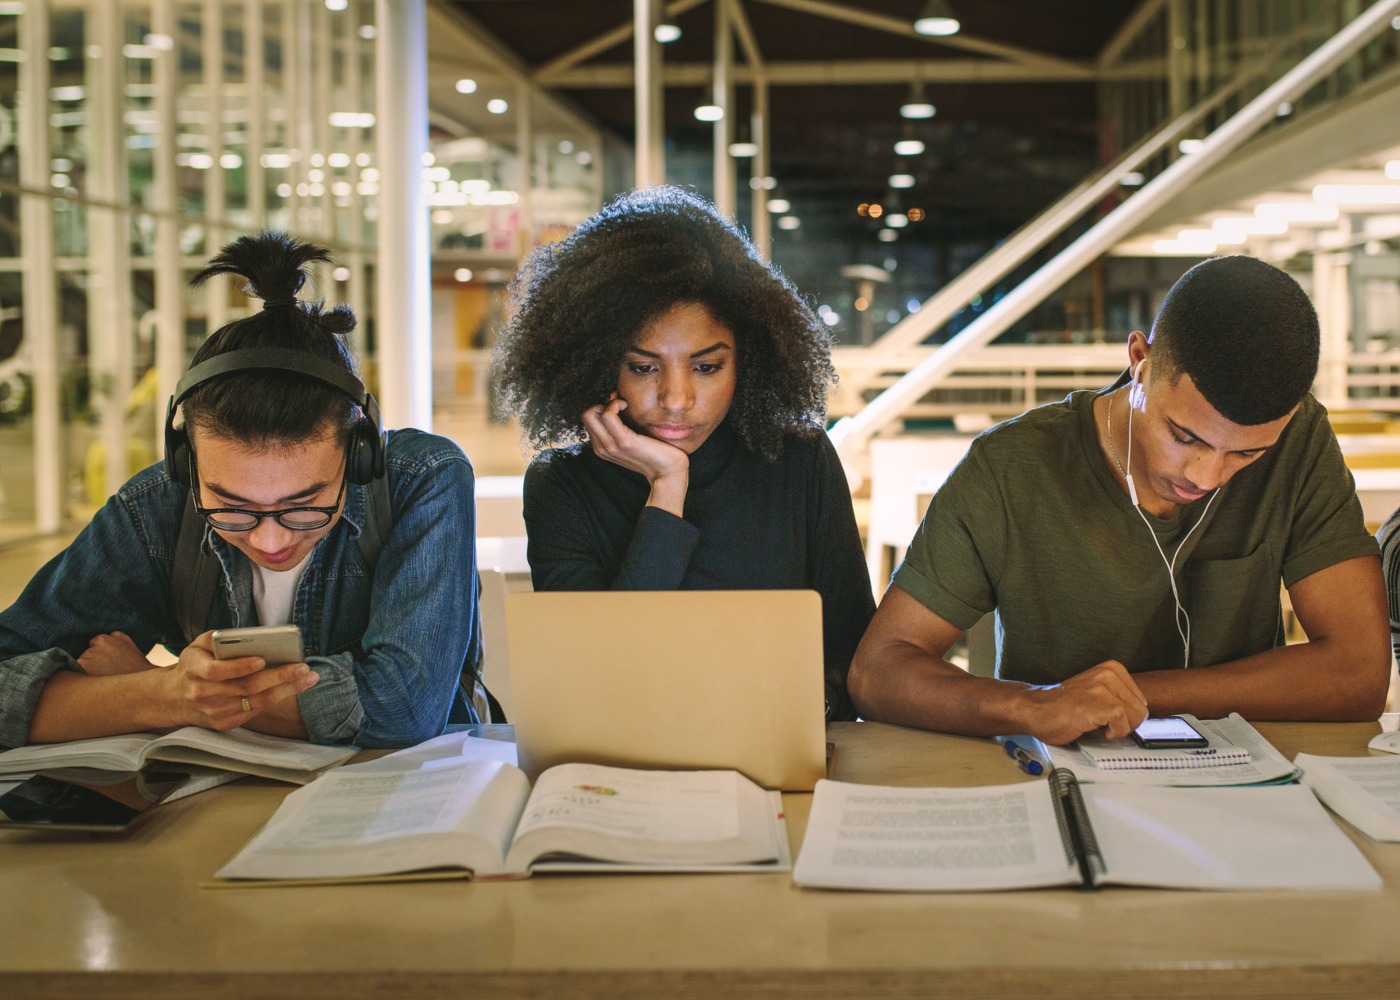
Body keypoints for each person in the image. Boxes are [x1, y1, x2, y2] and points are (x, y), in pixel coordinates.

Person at [849, 255, 1390, 744]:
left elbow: (1360, 674)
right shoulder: (1011, 467)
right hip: (1060, 785)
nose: (1206, 475)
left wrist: (1135, 696)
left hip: (1247, 790)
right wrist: (1032, 705)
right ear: (1140, 360)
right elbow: (877, 671)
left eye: (1246, 456)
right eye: (1184, 436)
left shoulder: (1300, 440)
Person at [0, 232, 483, 749]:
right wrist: (163, 693)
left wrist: (141, 689)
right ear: (185, 463)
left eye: (305, 506)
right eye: (232, 508)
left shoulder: (420, 479)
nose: (271, 542)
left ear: (361, 453)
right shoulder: (156, 506)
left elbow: (405, 707)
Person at [491, 186, 874, 720]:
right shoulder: (561, 485)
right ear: (598, 364)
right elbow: (598, 678)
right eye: (645, 368)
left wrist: (803, 707)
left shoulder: (798, 461)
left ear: (749, 360)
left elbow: (858, 662)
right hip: (625, 765)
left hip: (777, 753)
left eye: (707, 366)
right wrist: (667, 487)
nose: (676, 400)